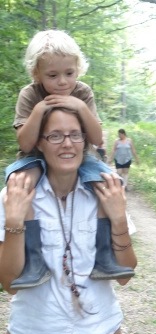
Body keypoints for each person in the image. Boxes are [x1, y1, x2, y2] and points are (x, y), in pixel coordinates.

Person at [0, 107, 137, 334]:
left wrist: (119, 219)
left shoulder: (106, 190)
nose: (67, 143)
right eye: (56, 135)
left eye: (75, 135)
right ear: (39, 142)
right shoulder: (13, 195)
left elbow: (125, 274)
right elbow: (10, 283)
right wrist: (14, 222)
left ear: (84, 140)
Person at [5, 29, 133, 288]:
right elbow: (25, 142)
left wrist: (81, 108)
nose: (63, 82)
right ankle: (33, 260)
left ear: (78, 69)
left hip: (80, 156)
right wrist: (41, 109)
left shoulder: (83, 92)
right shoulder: (30, 95)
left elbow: (96, 139)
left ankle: (105, 255)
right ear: (37, 74)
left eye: (69, 73)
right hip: (32, 157)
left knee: (110, 183)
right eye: (52, 75)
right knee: (19, 186)